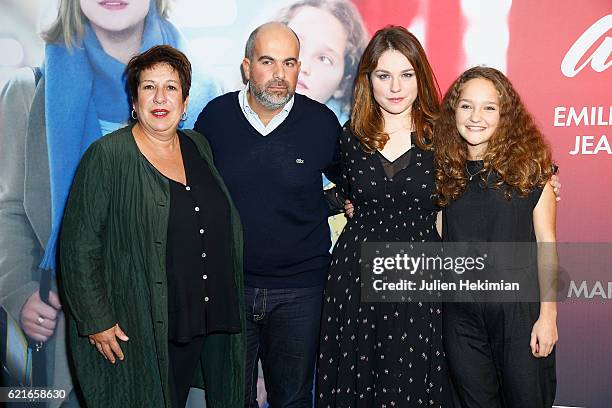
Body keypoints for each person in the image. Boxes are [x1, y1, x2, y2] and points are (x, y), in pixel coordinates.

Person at [0, 0, 218, 404]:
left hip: (176, 325)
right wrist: (20, 290)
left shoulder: (205, 92)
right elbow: (8, 208)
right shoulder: (28, 91)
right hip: (68, 325)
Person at [59, 45, 244, 408]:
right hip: (141, 326)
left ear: (185, 101)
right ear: (134, 100)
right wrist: (95, 319)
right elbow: (79, 246)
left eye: (171, 88)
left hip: (200, 320)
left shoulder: (198, 145)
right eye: (148, 87)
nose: (160, 98)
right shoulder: (108, 156)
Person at [194, 22, 342, 408]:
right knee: (229, 399)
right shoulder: (215, 118)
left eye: (289, 63)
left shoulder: (322, 123)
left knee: (292, 400)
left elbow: (352, 187)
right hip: (230, 288)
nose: (279, 75)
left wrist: (325, 204)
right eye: (267, 61)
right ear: (246, 67)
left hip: (301, 291)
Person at [316, 26, 453, 408]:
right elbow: (332, 190)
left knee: (412, 381)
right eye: (384, 75)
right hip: (354, 275)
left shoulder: (443, 135)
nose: (396, 87)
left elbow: (488, 176)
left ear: (419, 77)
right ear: (367, 80)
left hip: (420, 274)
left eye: (406, 74)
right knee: (358, 381)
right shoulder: (350, 136)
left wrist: (546, 176)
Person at [434, 66, 557, 407]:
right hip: (460, 318)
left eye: (489, 107)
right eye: (466, 106)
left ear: (505, 115)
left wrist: (548, 317)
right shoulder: (442, 172)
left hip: (519, 315)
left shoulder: (532, 171)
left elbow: (547, 245)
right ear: (453, 111)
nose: (476, 117)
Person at [276, 0, 368, 124]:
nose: (303, 66)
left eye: (324, 59)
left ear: (343, 84)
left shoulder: (347, 139)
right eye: (293, 45)